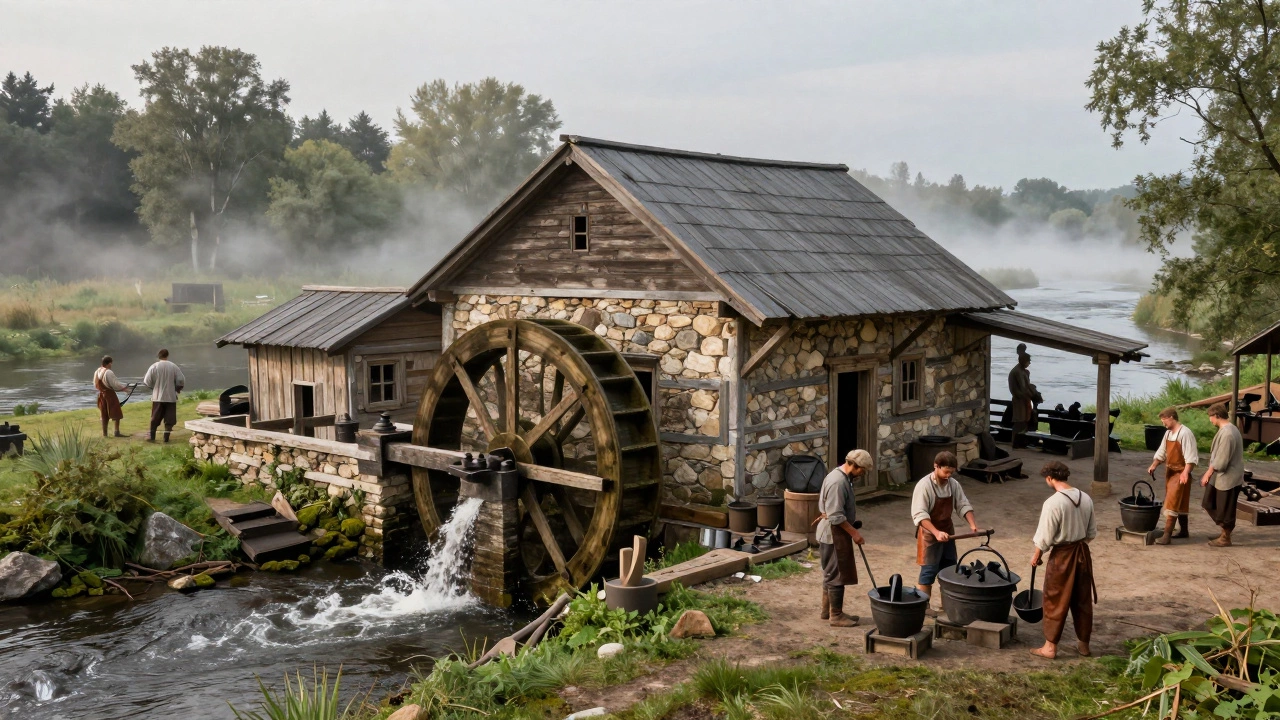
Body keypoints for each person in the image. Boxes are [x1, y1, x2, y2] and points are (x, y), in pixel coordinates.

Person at [1030, 460, 1097, 660]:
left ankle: (1050, 648)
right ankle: (1084, 645)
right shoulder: (1086, 498)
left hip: (1062, 557)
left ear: (1050, 478)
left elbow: (1045, 536)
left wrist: (1037, 555)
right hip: (1082, 554)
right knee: (1082, 600)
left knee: (1054, 599)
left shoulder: (1053, 503)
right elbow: (1091, 533)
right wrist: (1077, 542)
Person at [911, 451, 981, 610]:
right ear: (936, 466)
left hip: (948, 533)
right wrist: (936, 532)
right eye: (946, 472)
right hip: (929, 534)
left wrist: (972, 525)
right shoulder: (924, 486)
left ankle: (948, 606)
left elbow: (963, 504)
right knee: (929, 571)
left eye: (951, 472)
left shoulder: (953, 484)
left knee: (949, 570)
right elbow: (920, 515)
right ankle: (924, 608)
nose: (948, 476)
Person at [816, 448, 873, 628]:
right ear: (854, 465)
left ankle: (827, 611)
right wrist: (854, 533)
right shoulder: (838, 482)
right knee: (836, 574)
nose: (863, 474)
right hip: (832, 533)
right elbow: (835, 516)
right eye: (863, 470)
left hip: (835, 532)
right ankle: (836, 615)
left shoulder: (843, 478)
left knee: (831, 572)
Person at [1147, 407, 1198, 544]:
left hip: (1181, 473)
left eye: (1164, 420)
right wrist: (1154, 465)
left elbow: (1191, 457)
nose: (1163, 423)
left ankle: (1166, 535)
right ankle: (1184, 531)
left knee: (1172, 502)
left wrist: (1185, 473)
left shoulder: (1185, 433)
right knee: (1181, 501)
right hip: (1171, 473)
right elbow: (1162, 452)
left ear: (1171, 417)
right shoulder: (1168, 434)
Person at [1201, 402, 1245, 547]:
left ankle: (1226, 536)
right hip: (1221, 477)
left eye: (1211, 417)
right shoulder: (1227, 430)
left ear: (1217, 415)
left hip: (1228, 478)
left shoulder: (1228, 433)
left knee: (1225, 508)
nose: (1210, 420)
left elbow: (1221, 460)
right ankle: (1224, 530)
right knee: (1209, 503)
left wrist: (1208, 473)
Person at [142, 348, 185, 443]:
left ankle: (152, 436)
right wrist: (177, 388)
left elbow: (147, 381)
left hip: (157, 397)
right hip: (171, 397)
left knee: (155, 418)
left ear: (159, 356)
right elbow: (181, 380)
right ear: (167, 355)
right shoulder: (173, 366)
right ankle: (166, 438)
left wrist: (154, 387)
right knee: (169, 419)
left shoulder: (154, 366)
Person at [1008, 345, 1042, 448]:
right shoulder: (1018, 372)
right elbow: (1023, 388)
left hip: (1023, 399)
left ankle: (1021, 441)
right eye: (1028, 361)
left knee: (1024, 421)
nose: (1029, 363)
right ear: (1024, 361)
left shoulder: (1022, 371)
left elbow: (1026, 386)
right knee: (1019, 421)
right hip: (1019, 399)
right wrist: (1034, 395)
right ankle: (1016, 442)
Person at [93, 356, 128, 438]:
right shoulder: (108, 372)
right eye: (111, 363)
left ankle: (105, 434)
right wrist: (124, 389)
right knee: (117, 412)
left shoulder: (97, 371)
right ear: (109, 363)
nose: (111, 365)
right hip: (110, 394)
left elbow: (95, 384)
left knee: (104, 414)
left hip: (101, 395)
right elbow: (115, 384)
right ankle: (117, 432)